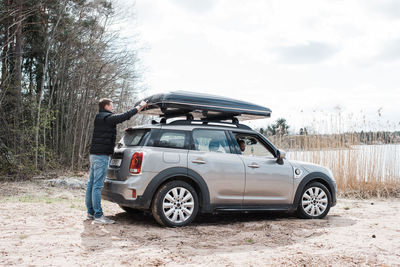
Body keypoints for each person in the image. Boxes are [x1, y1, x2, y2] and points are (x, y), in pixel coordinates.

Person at [86, 98, 148, 224]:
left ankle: (91, 213)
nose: (113, 108)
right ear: (107, 106)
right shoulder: (107, 118)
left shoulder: (99, 117)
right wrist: (139, 107)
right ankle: (98, 216)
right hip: (101, 156)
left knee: (91, 185)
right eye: (112, 106)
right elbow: (124, 116)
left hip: (94, 155)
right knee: (97, 186)